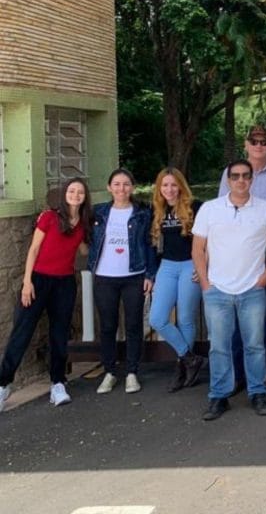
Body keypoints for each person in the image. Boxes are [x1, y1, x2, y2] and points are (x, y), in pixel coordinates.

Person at [194, 159, 266, 420]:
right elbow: (197, 248)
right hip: (217, 290)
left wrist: (265, 278)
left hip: (252, 289)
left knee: (255, 345)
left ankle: (258, 393)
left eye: (246, 176)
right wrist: (205, 283)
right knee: (219, 347)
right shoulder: (210, 209)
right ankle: (219, 396)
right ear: (228, 180)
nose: (241, 180)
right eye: (235, 176)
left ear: (251, 179)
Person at [0, 179, 91, 412]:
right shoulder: (49, 217)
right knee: (22, 331)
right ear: (65, 194)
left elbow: (84, 250)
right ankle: (3, 384)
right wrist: (27, 282)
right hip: (38, 280)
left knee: (59, 334)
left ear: (85, 197)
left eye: (80, 192)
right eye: (71, 191)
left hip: (64, 283)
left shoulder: (83, 224)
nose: (75, 195)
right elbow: (34, 249)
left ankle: (58, 383)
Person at [217, 125, 266, 391]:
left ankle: (265, 371)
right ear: (246, 144)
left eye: (263, 141)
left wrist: (259, 238)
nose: (259, 145)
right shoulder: (231, 173)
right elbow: (222, 212)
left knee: (265, 316)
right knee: (235, 318)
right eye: (254, 141)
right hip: (236, 259)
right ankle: (237, 374)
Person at [89, 168, 158, 395]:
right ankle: (109, 371)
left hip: (134, 276)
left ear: (133, 187)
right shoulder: (98, 212)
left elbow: (149, 243)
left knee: (133, 325)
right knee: (108, 326)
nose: (121, 188)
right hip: (104, 276)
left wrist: (150, 274)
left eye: (126, 184)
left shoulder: (143, 213)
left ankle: (131, 372)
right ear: (109, 187)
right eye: (117, 184)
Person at [148, 168, 207, 393]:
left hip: (190, 264)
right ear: (159, 188)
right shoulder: (156, 209)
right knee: (157, 318)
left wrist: (204, 264)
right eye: (165, 185)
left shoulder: (196, 207)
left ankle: (182, 368)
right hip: (167, 266)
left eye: (174, 185)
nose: (169, 189)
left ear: (181, 186)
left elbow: (210, 238)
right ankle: (190, 358)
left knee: (185, 319)